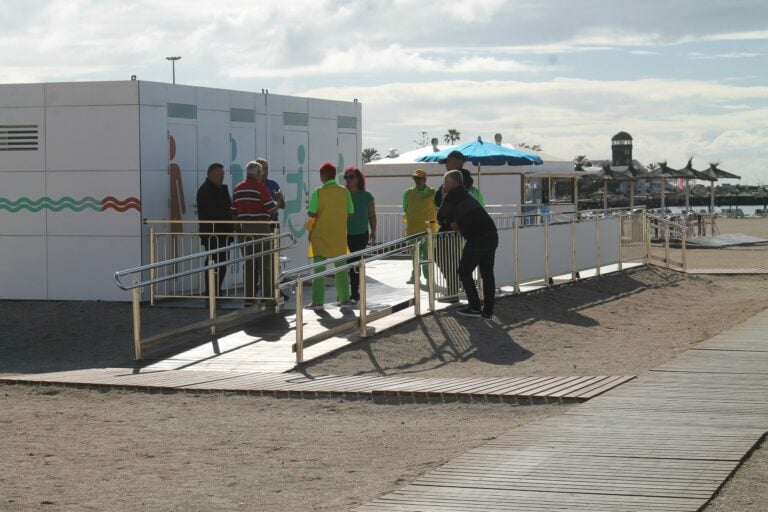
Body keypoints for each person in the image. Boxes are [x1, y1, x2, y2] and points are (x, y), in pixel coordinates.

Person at [439, 169, 498, 319]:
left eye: (445, 181)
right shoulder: (467, 193)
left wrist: (445, 199)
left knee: (464, 271)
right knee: (487, 274)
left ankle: (474, 307)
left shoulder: (453, 195)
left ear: (453, 182)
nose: (443, 184)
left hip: (477, 239)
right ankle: (488, 311)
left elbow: (440, 216)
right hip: (491, 235)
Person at [305, 162, 354, 309]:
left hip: (320, 236)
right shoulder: (344, 191)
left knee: (319, 270)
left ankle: (318, 302)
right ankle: (345, 300)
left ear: (323, 175)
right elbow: (350, 212)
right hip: (339, 236)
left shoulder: (318, 192)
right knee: (341, 269)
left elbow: (312, 212)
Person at [233, 161, 277, 303]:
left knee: (249, 264)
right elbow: (271, 208)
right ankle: (267, 297)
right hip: (261, 228)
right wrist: (279, 200)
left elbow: (233, 211)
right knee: (265, 264)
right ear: (258, 174)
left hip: (244, 229)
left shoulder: (238, 188)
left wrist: (238, 228)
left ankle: (249, 297)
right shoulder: (260, 188)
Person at [196, 162, 234, 295]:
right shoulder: (205, 190)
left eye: (223, 174)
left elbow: (227, 207)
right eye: (219, 174)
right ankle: (211, 290)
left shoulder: (221, 189)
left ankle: (216, 289)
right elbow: (214, 211)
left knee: (223, 262)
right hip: (212, 233)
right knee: (213, 260)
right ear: (211, 174)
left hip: (224, 232)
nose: (222, 177)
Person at [343, 166, 376, 302]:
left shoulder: (366, 195)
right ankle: (346, 292)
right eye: (346, 177)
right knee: (347, 264)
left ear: (358, 178)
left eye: (351, 177)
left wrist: (374, 231)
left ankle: (356, 291)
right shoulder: (343, 194)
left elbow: (372, 215)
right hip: (345, 234)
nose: (348, 180)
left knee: (356, 263)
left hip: (361, 234)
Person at [402, 169, 437, 284]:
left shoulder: (433, 192)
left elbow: (437, 208)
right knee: (414, 254)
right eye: (415, 178)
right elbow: (405, 208)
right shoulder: (408, 193)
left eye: (419, 178)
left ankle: (428, 277)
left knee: (427, 254)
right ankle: (415, 276)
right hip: (413, 228)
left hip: (428, 229)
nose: (417, 181)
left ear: (425, 179)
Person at [256, 158, 285, 227]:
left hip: (273, 222)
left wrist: (279, 197)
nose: (265, 172)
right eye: (262, 169)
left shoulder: (273, 184)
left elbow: (283, 206)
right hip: (259, 223)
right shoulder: (253, 186)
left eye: (266, 169)